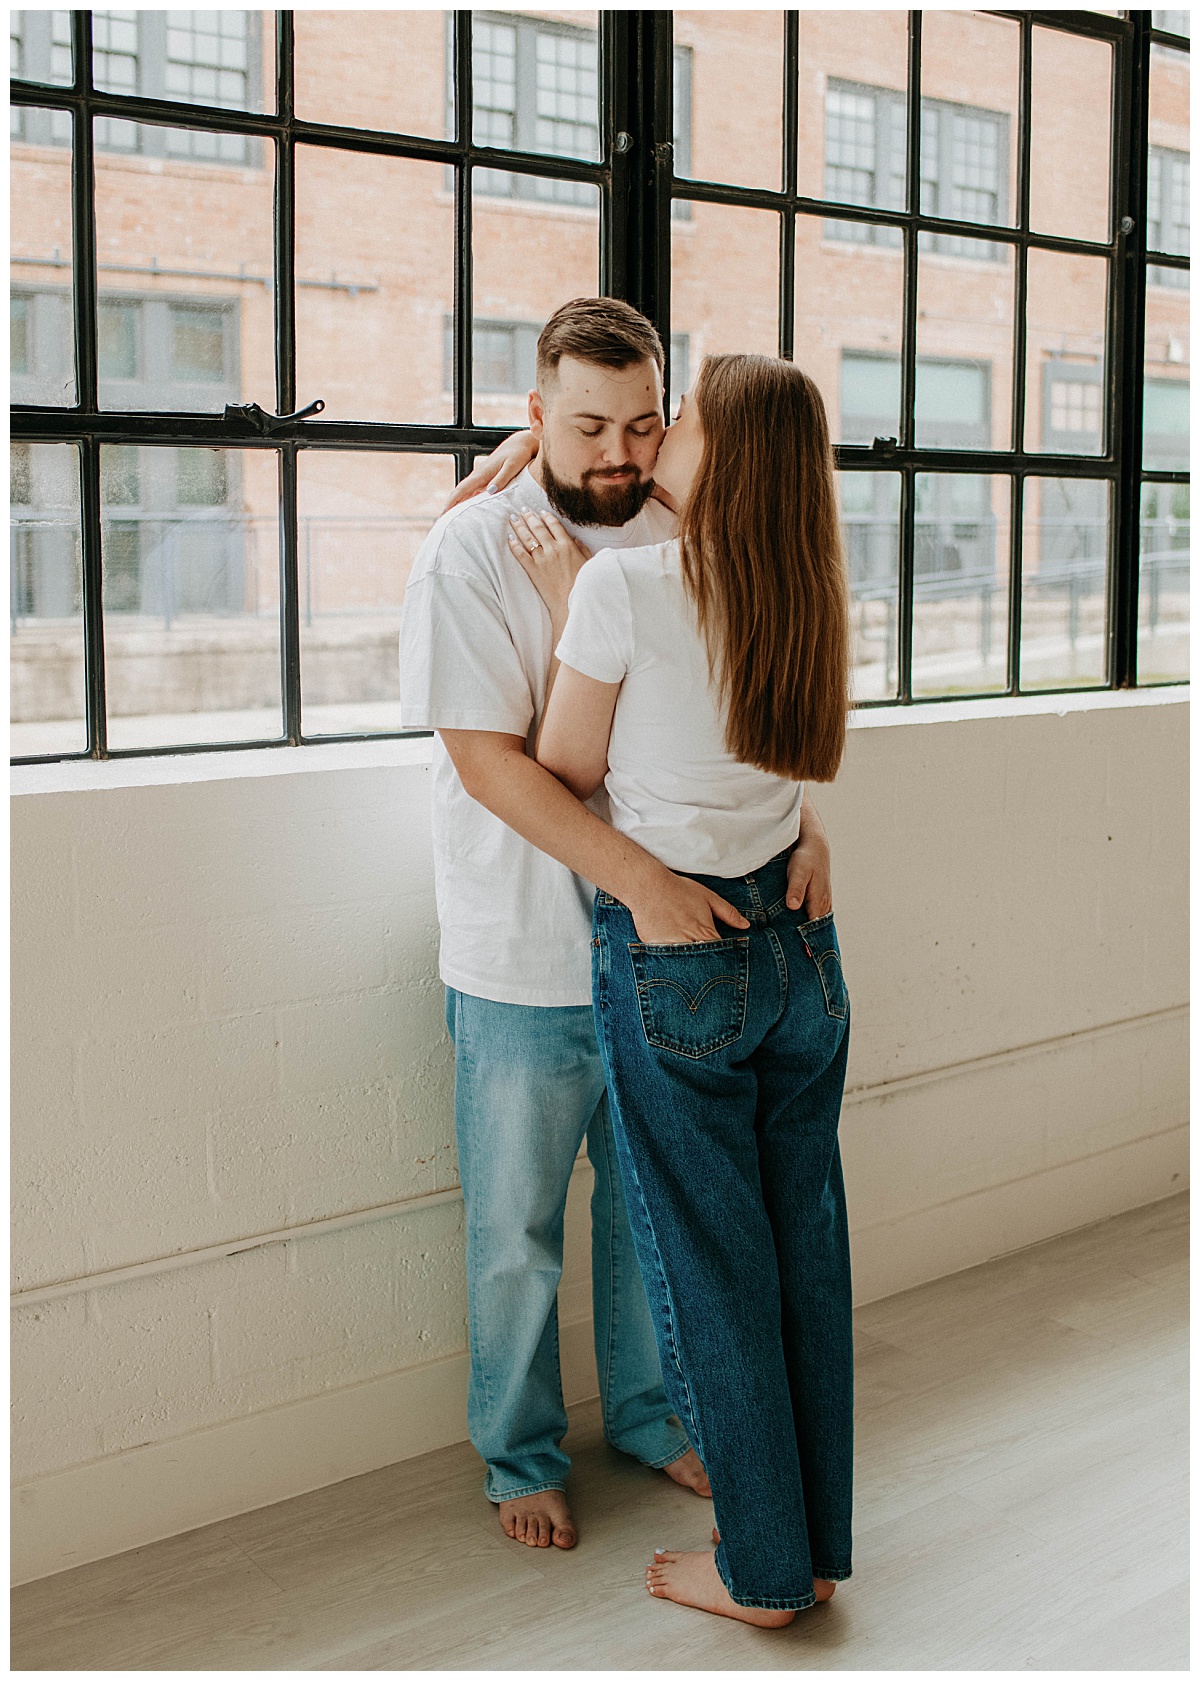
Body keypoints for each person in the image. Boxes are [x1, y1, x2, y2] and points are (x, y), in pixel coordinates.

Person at [398, 298, 836, 1553]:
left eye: (644, 425)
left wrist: (801, 823)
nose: (620, 455)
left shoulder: (668, 518)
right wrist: (641, 878)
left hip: (669, 963)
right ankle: (518, 1451)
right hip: (524, 950)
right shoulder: (473, 548)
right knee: (517, 1226)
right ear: (533, 415)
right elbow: (492, 762)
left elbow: (759, 669)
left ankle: (650, 1413)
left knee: (652, 1212)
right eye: (587, 425)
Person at [509, 352, 854, 1626]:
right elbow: (781, 767)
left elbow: (564, 766)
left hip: (681, 962)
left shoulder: (624, 590)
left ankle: (762, 1574)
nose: (660, 438)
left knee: (713, 1268)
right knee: (803, 1251)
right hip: (800, 953)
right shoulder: (809, 587)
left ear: (722, 456)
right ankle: (815, 1552)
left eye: (684, 420)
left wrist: (565, 611)